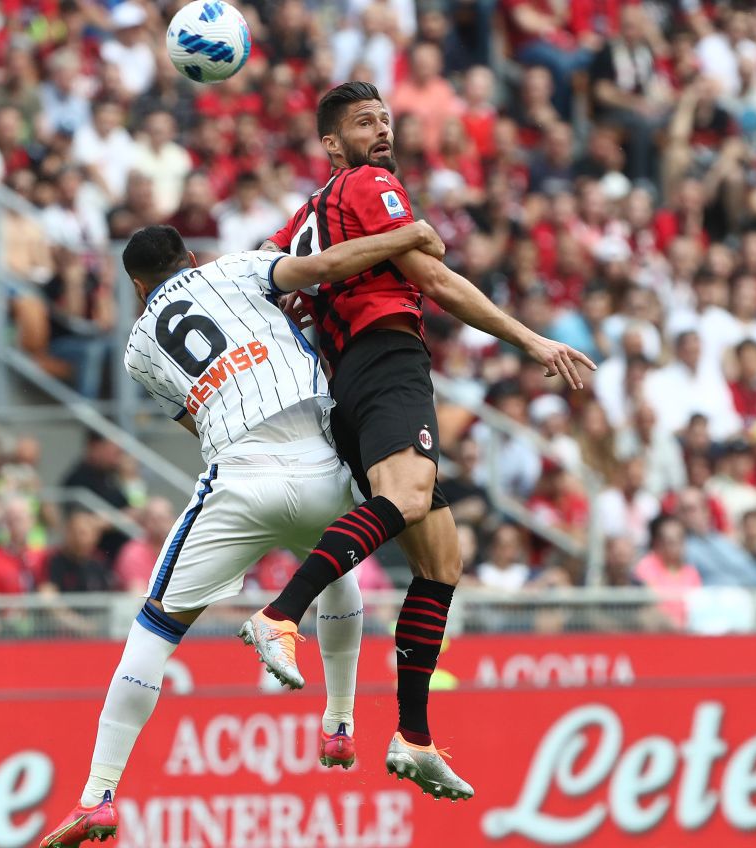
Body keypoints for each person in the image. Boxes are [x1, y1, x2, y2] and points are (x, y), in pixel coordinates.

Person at [40, 218, 446, 846]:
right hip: (318, 463)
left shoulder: (138, 347)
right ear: (192, 256)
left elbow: (192, 419)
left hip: (239, 477)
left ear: (138, 287)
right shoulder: (237, 267)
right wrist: (405, 238)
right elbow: (323, 268)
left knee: (155, 629)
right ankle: (339, 724)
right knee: (333, 562)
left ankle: (98, 793)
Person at [245, 81, 594, 802]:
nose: (382, 131)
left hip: (345, 380)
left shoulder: (302, 219)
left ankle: (413, 735)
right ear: (331, 144)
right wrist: (530, 339)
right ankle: (280, 615)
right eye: (362, 122)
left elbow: (266, 283)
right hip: (386, 356)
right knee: (404, 497)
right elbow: (432, 275)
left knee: (441, 560)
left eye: (385, 119)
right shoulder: (370, 184)